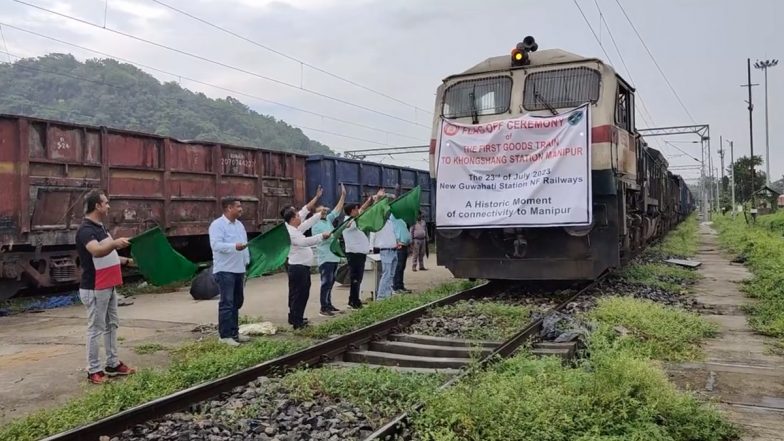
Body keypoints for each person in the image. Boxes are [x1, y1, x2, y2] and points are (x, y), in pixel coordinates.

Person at [75, 189, 136, 384]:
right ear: (97, 206)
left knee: (111, 325)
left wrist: (126, 261)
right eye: (106, 203)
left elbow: (107, 255)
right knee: (96, 328)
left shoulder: (100, 228)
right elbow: (97, 251)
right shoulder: (86, 230)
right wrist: (115, 243)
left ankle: (113, 363)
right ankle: (93, 370)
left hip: (108, 286)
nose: (108, 206)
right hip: (95, 287)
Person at [283, 190, 330, 330]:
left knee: (298, 294)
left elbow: (307, 221)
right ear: (292, 218)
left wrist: (318, 214)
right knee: (299, 294)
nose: (300, 216)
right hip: (298, 267)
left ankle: (295, 317)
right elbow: (304, 242)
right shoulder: (291, 232)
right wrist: (322, 236)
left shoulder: (294, 228)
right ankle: (297, 321)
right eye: (297, 215)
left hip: (300, 267)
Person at [208, 197, 250, 347]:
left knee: (237, 302)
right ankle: (224, 335)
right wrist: (234, 247)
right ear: (228, 208)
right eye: (238, 206)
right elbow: (216, 245)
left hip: (239, 269)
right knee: (227, 303)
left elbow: (245, 245)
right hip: (225, 270)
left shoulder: (239, 225)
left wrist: (247, 262)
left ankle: (234, 332)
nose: (240, 209)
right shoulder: (217, 225)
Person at [342, 190, 383, 309]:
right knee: (356, 278)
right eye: (355, 209)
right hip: (355, 255)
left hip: (359, 254)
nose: (357, 211)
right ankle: (355, 302)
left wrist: (369, 201)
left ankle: (353, 300)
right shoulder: (348, 222)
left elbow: (361, 210)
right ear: (351, 211)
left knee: (358, 278)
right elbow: (362, 213)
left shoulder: (353, 220)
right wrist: (374, 201)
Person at [311, 184, 347, 317]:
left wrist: (343, 195)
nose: (325, 212)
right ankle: (323, 307)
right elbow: (324, 238)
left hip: (333, 257)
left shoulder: (327, 220)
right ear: (316, 214)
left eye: (325, 211)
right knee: (326, 282)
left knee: (331, 282)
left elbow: (337, 210)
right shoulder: (316, 225)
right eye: (322, 211)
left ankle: (329, 304)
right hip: (325, 257)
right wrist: (337, 232)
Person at [371, 208, 399, 300]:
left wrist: (397, 242)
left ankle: (388, 294)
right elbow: (372, 235)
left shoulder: (390, 222)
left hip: (393, 249)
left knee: (391, 274)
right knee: (386, 274)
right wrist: (370, 248)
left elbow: (393, 233)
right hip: (385, 250)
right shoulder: (377, 223)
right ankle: (381, 296)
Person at [392, 216, 412, 294]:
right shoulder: (393, 217)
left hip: (404, 245)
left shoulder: (402, 220)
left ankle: (400, 285)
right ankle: (396, 287)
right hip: (399, 245)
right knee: (399, 267)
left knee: (402, 267)